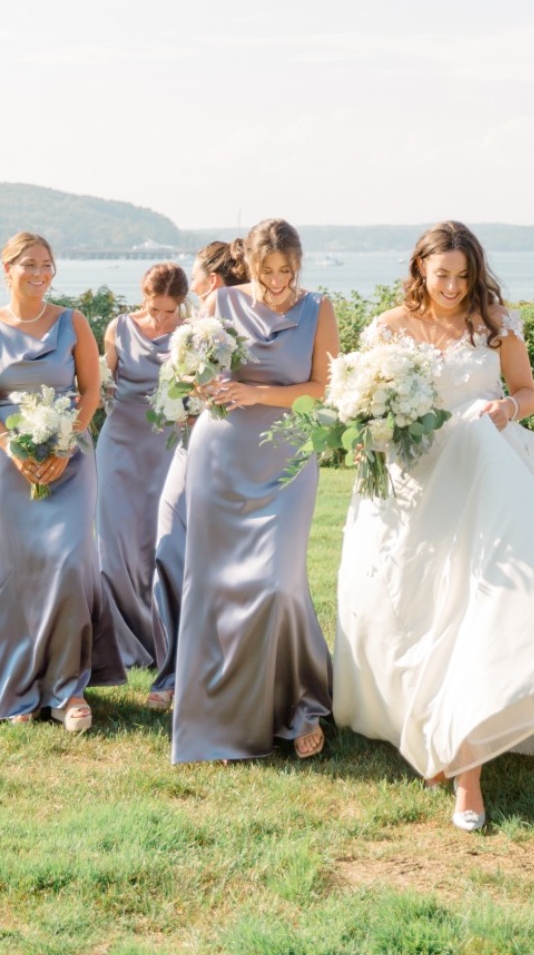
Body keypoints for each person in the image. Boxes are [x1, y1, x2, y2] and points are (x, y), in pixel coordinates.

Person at [334, 220, 534, 831]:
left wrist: (506, 409)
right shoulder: (386, 328)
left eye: (462, 275)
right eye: (441, 276)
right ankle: (426, 720)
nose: (453, 287)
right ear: (419, 271)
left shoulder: (497, 321)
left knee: (485, 604)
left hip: (490, 472)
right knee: (422, 609)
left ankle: (468, 765)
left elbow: (528, 390)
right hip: (416, 483)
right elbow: (363, 405)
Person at [171, 220, 338, 763]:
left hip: (286, 457)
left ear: (298, 264)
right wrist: (199, 382)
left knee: (276, 582)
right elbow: (195, 378)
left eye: (286, 271)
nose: (277, 283)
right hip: (221, 453)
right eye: (266, 272)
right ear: (248, 263)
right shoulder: (219, 305)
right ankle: (218, 716)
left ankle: (301, 705)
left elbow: (322, 389)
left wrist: (257, 391)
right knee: (216, 586)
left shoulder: (319, 308)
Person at [0, 232, 125, 731]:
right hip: (7, 462)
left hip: (70, 458)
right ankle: (20, 686)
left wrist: (64, 443)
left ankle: (68, 691)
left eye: (47, 264)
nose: (40, 273)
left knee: (70, 563)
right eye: (29, 264)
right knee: (15, 574)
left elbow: (91, 391)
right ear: (6, 268)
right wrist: (11, 445)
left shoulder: (72, 322)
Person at [148, 239, 249, 711]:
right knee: (170, 545)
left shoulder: (241, 326)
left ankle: (209, 671)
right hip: (191, 444)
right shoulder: (197, 329)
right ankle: (173, 666)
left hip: (229, 450)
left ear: (211, 283)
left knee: (220, 560)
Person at [96, 262, 190, 667]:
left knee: (159, 541)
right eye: (154, 309)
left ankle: (164, 633)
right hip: (119, 443)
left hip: (168, 447)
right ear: (143, 296)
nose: (161, 318)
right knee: (116, 542)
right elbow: (104, 380)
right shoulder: (118, 327)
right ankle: (121, 639)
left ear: (182, 304)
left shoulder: (194, 333)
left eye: (170, 311)